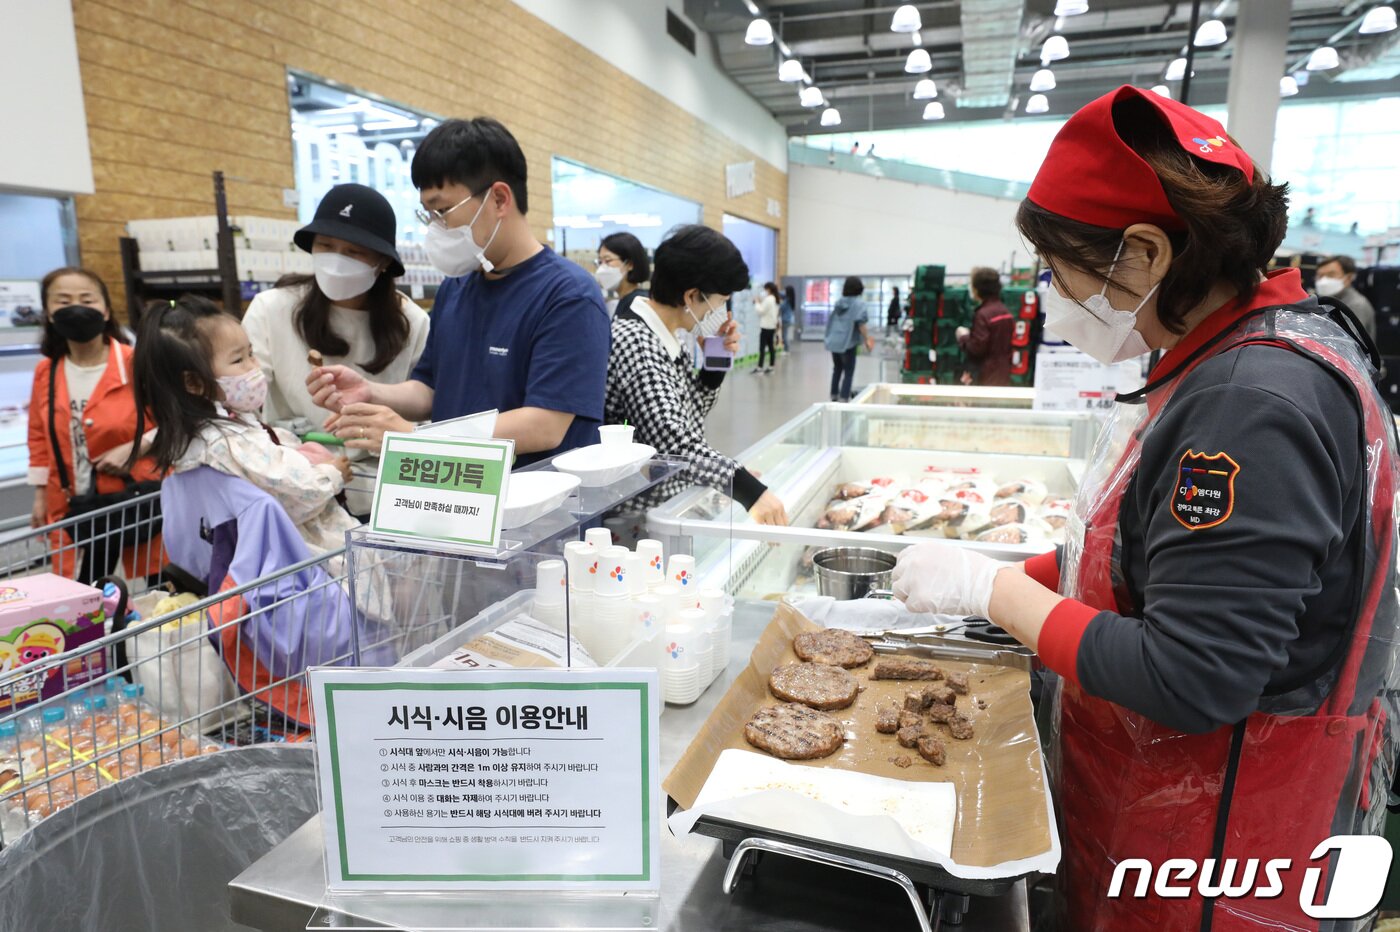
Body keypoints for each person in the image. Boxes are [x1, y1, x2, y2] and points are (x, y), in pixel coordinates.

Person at [891, 86, 1399, 931]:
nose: (1050, 293)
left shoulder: (1253, 402)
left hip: (1216, 860)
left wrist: (996, 594)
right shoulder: (1225, 356)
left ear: (1144, 255)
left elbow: (1195, 674)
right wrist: (1011, 575)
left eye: (1058, 270)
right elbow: (1154, 559)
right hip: (1158, 825)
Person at [306, 117, 610, 467]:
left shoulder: (567, 295)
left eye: (442, 211)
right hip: (458, 497)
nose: (437, 227)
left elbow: (544, 425)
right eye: (428, 215)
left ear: (498, 199)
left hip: (537, 508)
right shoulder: (456, 288)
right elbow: (431, 390)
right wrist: (371, 391)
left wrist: (417, 438)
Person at [243, 183, 429, 518]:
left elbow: (424, 409)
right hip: (297, 488)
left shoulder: (412, 322)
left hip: (383, 495)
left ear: (384, 261)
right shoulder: (272, 309)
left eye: (354, 252)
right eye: (326, 246)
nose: (336, 261)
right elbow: (242, 398)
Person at [133, 295, 356, 557]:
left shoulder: (202, 432)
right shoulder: (226, 442)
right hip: (302, 555)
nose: (254, 366)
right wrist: (331, 475)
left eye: (251, 353)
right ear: (193, 383)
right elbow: (293, 495)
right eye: (238, 360)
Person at [604, 225, 787, 525]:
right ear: (691, 296)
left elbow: (689, 414)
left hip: (664, 504)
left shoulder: (670, 334)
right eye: (720, 300)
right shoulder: (635, 341)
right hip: (632, 520)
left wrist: (714, 361)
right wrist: (748, 490)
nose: (722, 310)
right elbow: (676, 445)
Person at [26, 267, 163, 583]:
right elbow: (38, 435)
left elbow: (178, 419)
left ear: (105, 310)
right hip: (76, 503)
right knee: (84, 596)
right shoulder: (46, 372)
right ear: (48, 313)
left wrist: (137, 444)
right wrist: (40, 495)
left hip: (136, 499)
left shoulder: (137, 362)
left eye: (86, 299)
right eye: (63, 300)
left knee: (154, 590)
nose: (75, 307)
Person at [955, 268, 1014, 385]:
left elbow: (977, 348)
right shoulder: (1005, 311)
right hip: (1003, 371)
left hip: (986, 374)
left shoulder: (983, 314)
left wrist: (963, 337)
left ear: (978, 289)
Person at [824, 277, 873, 402]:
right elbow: (861, 324)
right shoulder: (859, 304)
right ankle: (844, 397)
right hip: (848, 342)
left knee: (837, 368)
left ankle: (834, 394)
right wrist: (867, 339)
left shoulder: (839, 302)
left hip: (834, 340)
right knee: (849, 371)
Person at [1314, 254, 1376, 341]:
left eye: (1331, 275)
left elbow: (1346, 341)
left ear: (1349, 277)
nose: (1323, 281)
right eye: (1320, 276)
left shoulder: (1356, 304)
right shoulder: (1327, 300)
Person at [596, 231, 650, 319]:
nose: (602, 268)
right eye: (600, 262)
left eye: (608, 260)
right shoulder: (624, 300)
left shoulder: (638, 304)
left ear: (629, 264)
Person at [755, 282, 780, 373]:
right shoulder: (774, 299)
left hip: (765, 327)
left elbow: (761, 311)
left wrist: (757, 303)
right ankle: (771, 366)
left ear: (768, 289)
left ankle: (760, 367)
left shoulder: (769, 299)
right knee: (771, 348)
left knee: (762, 348)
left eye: (765, 289)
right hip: (772, 326)